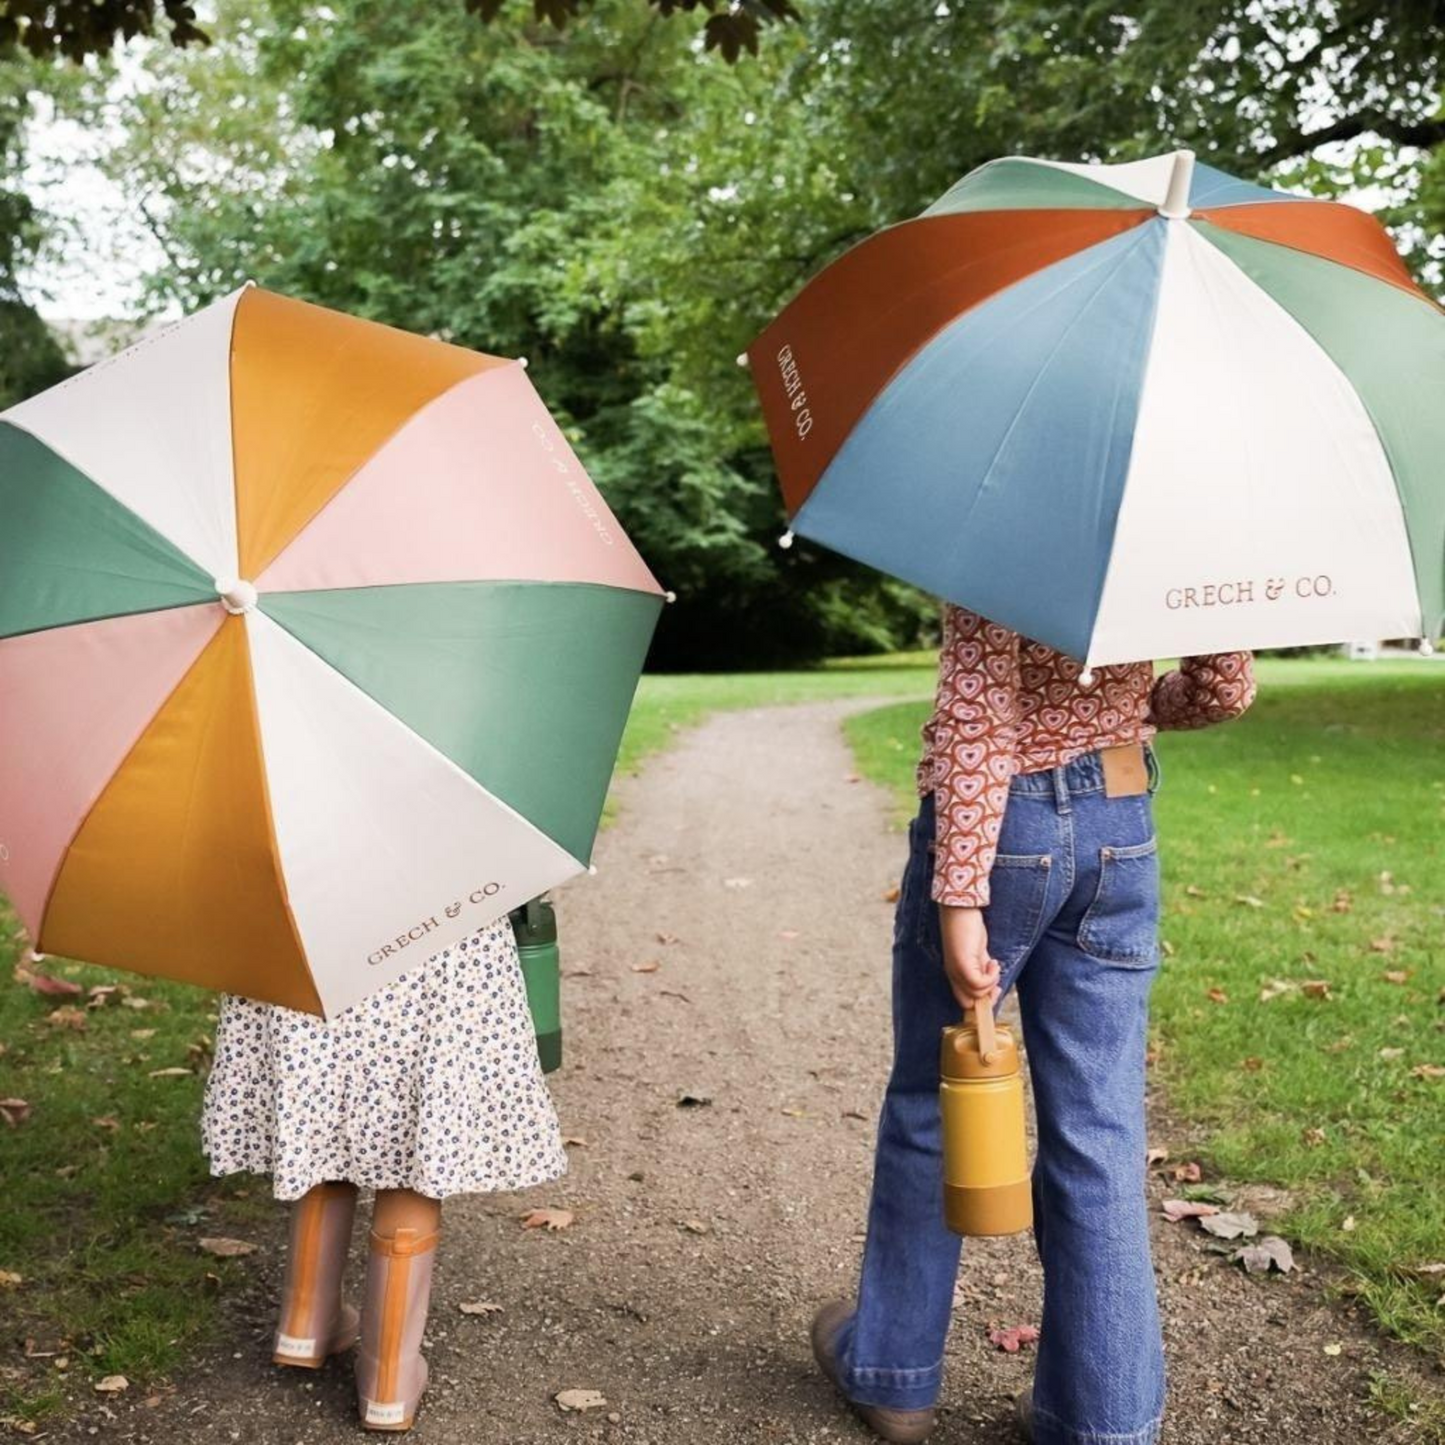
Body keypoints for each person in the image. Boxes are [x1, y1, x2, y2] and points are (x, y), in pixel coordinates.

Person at [810, 606, 1256, 1445]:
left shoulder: (1002, 509)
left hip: (1001, 827)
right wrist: (1129, 707)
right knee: (1099, 1128)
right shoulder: (1168, 524)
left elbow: (980, 716)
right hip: (1121, 827)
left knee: (929, 1102)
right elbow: (1222, 688)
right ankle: (1102, 1419)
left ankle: (895, 1375)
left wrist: (960, 896)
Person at [202, 918, 565, 1432]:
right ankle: (387, 1378)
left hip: (310, 920)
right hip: (437, 917)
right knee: (409, 1133)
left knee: (323, 1090)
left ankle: (305, 1319)